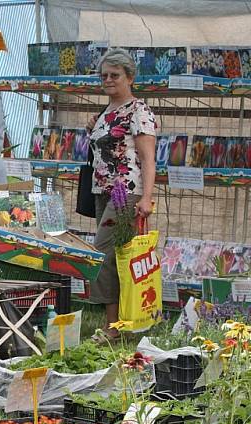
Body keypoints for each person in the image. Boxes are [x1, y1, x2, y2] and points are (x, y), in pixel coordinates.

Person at [87, 48, 156, 341]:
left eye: (115, 75)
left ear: (130, 77)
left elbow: (147, 158)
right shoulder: (106, 111)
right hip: (103, 190)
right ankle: (120, 323)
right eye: (104, 76)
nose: (108, 80)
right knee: (116, 258)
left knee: (102, 253)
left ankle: (114, 327)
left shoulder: (138, 111)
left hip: (124, 192)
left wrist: (146, 197)